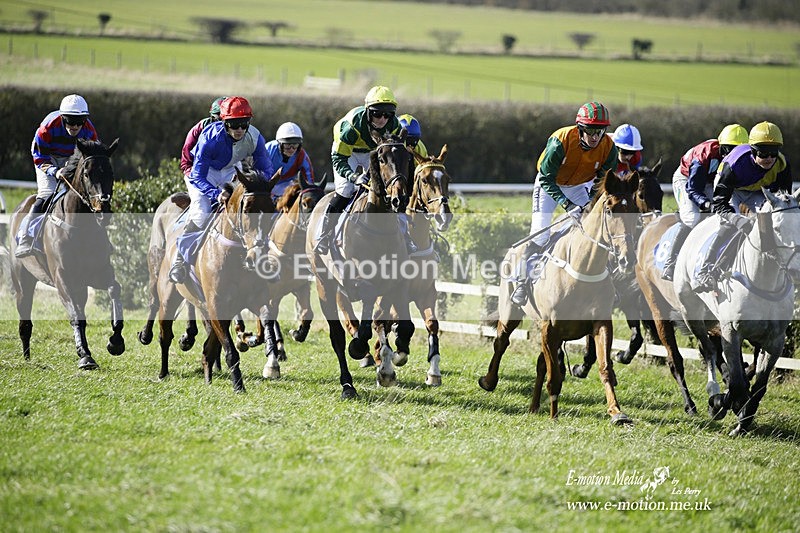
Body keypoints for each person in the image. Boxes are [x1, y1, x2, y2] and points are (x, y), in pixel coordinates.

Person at [510, 101, 618, 306]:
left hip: (577, 186)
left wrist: (590, 202)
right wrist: (567, 205)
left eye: (600, 131)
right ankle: (521, 281)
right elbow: (546, 178)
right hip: (548, 186)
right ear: (580, 128)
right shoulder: (561, 140)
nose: (595, 137)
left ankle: (608, 282)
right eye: (590, 131)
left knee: (595, 228)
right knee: (541, 235)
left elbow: (602, 182)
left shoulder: (609, 148)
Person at [168, 96, 274, 283]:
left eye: (244, 124)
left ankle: (261, 255)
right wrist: (216, 194)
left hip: (230, 170)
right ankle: (180, 261)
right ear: (224, 123)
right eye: (234, 124)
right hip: (203, 173)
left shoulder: (255, 137)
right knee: (201, 212)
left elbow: (266, 169)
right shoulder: (209, 138)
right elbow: (197, 176)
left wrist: (258, 186)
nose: (240, 129)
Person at [693, 121, 792, 292]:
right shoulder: (734, 165)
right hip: (732, 190)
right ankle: (707, 271)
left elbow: (785, 205)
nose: (769, 158)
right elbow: (719, 204)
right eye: (763, 153)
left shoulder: (782, 165)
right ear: (753, 151)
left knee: (775, 221)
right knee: (730, 225)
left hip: (757, 190)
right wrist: (737, 219)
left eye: (773, 152)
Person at [314, 85, 402, 255]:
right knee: (346, 190)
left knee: (390, 191)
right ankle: (324, 234)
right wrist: (354, 177)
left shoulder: (395, 126)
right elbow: (339, 159)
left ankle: (404, 236)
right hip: (349, 153)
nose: (382, 119)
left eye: (388, 114)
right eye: (377, 114)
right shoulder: (352, 126)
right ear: (368, 112)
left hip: (373, 152)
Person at [660, 123, 748, 281]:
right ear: (722, 146)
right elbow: (693, 189)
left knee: (726, 216)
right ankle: (670, 262)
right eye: (730, 149)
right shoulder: (704, 156)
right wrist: (706, 204)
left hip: (709, 180)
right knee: (692, 218)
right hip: (686, 179)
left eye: (738, 150)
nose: (733, 155)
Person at [16, 94, 99, 258]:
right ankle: (25, 237)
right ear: (62, 117)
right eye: (70, 121)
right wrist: (54, 171)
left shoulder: (89, 131)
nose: (75, 126)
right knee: (47, 195)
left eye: (80, 121)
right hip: (47, 157)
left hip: (71, 158)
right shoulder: (47, 128)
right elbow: (39, 157)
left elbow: (92, 158)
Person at [265, 121, 315, 200]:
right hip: (266, 184)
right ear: (280, 144)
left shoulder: (301, 155)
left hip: (287, 185)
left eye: (295, 145)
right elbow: (260, 174)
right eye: (288, 145)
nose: (291, 149)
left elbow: (309, 180)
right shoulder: (268, 150)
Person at [180, 96, 227, 176]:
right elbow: (187, 150)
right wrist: (189, 171)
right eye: (220, 119)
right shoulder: (199, 129)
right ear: (213, 117)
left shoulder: (239, 129)